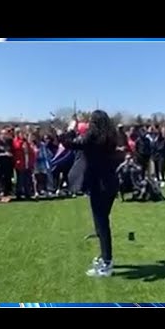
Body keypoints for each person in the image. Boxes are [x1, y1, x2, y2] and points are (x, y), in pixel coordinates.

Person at [63, 110, 119, 278]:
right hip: (111, 182)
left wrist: (71, 128)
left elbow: (68, 143)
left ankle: (107, 262)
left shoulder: (92, 136)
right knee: (101, 223)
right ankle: (105, 256)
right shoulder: (111, 136)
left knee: (101, 224)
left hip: (99, 184)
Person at [0, 128, 14, 202]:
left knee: (6, 179)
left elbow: (12, 150)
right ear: (0, 134)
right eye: (3, 134)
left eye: (6, 134)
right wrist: (4, 154)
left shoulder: (9, 141)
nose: (4, 135)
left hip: (7, 163)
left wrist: (11, 154)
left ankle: (5, 195)